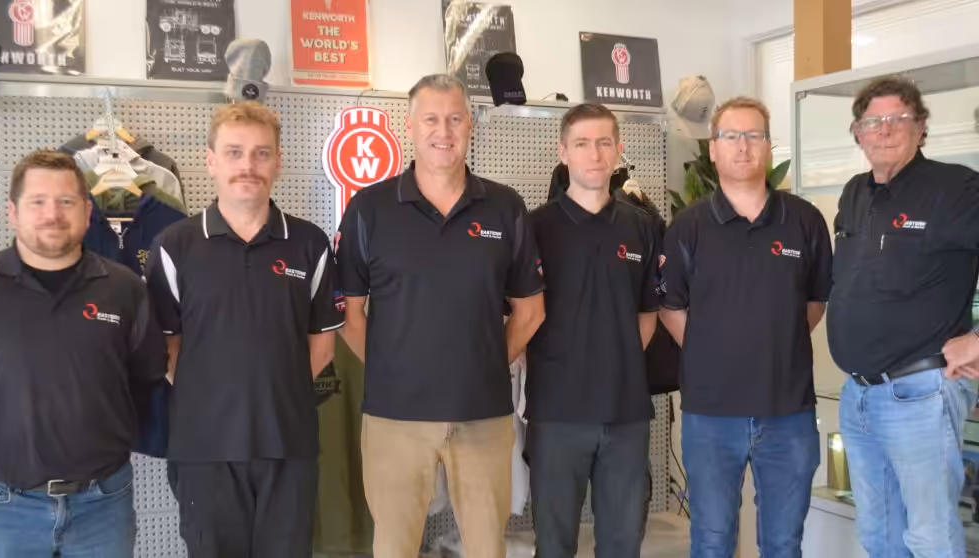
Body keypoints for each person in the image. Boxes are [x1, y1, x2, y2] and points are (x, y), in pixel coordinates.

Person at [335, 74, 546, 558]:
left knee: (487, 547)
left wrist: (485, 365)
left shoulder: (505, 207)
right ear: (409, 126)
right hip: (394, 418)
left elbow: (530, 311)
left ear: (470, 124)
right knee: (394, 547)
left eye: (454, 119)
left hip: (482, 413)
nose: (443, 131)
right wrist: (393, 370)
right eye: (431, 119)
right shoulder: (369, 209)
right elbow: (349, 313)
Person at [144, 102, 345, 558]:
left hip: (288, 445)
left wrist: (273, 395)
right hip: (204, 450)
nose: (248, 166)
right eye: (234, 153)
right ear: (211, 161)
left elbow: (322, 348)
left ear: (278, 161)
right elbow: (169, 351)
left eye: (261, 153)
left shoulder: (310, 243)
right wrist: (220, 399)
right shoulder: (174, 246)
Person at [0, 150, 166, 557]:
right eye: (38, 201)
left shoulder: (125, 290)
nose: (52, 214)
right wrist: (0, 419)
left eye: (66, 201)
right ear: (12, 212)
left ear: (87, 212)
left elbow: (145, 377)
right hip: (2, 509)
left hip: (103, 505)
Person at [659, 97, 833, 558]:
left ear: (769, 146)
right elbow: (671, 307)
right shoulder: (688, 227)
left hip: (788, 412)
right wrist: (713, 352)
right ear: (713, 149)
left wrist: (775, 343)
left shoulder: (804, 221)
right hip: (711, 415)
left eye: (754, 135)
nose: (743, 146)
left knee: (783, 543)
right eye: (731, 136)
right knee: (712, 541)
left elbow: (815, 303)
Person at [829, 76, 979, 558]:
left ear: (921, 127)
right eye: (873, 121)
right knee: (880, 536)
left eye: (899, 118)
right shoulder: (854, 193)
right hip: (858, 395)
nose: (885, 129)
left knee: (930, 537)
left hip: (920, 392)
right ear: (858, 132)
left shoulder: (956, 188)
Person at [525, 102, 661, 558]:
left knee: (622, 545)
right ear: (562, 151)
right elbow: (519, 314)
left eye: (604, 142)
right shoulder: (534, 228)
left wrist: (615, 361)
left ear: (619, 150)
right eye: (582, 143)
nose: (595, 154)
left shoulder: (642, 227)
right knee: (554, 545)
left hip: (625, 415)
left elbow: (647, 313)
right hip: (556, 415)